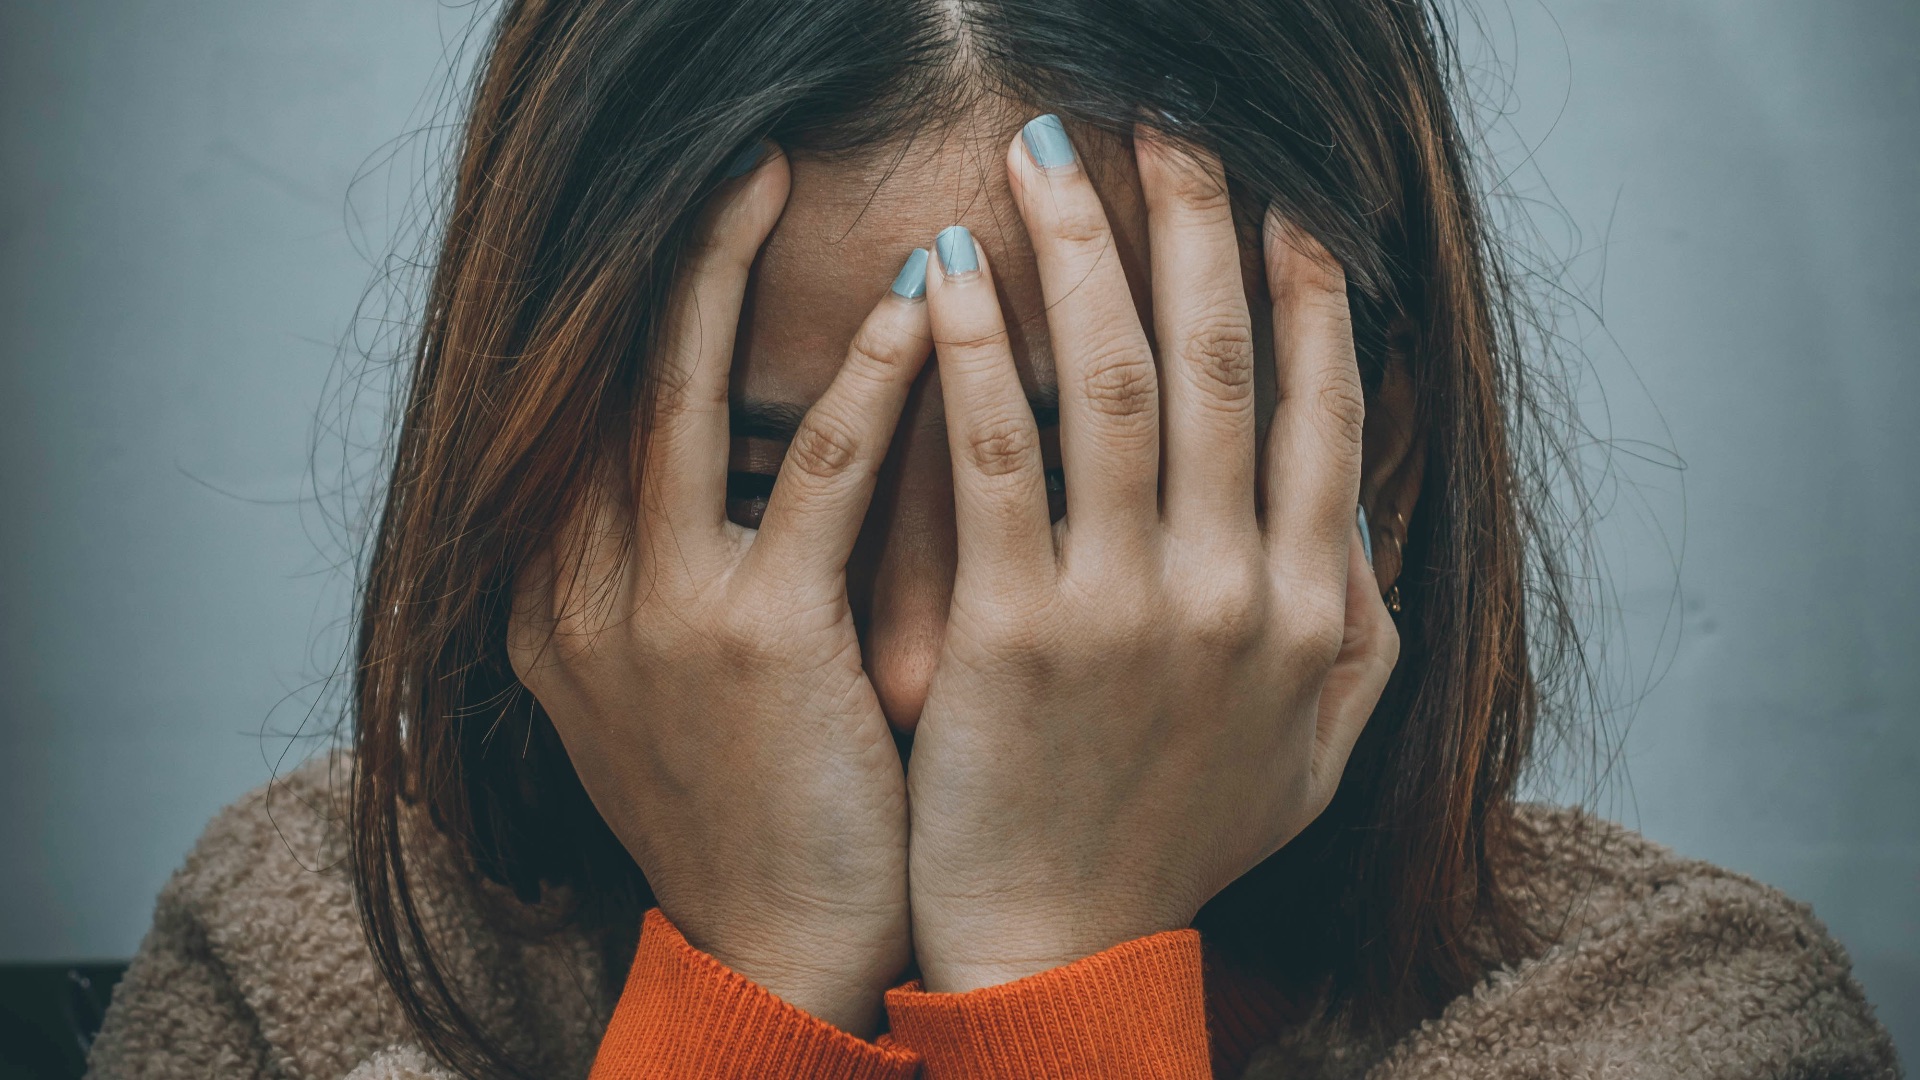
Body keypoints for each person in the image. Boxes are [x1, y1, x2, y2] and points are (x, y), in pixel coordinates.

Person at [87, 0, 1900, 1077]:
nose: (904, 666)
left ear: (1374, 447)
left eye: (1072, 495)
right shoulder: (316, 962)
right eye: (761, 489)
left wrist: (1053, 974)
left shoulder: (1672, 1023)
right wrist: (755, 983)